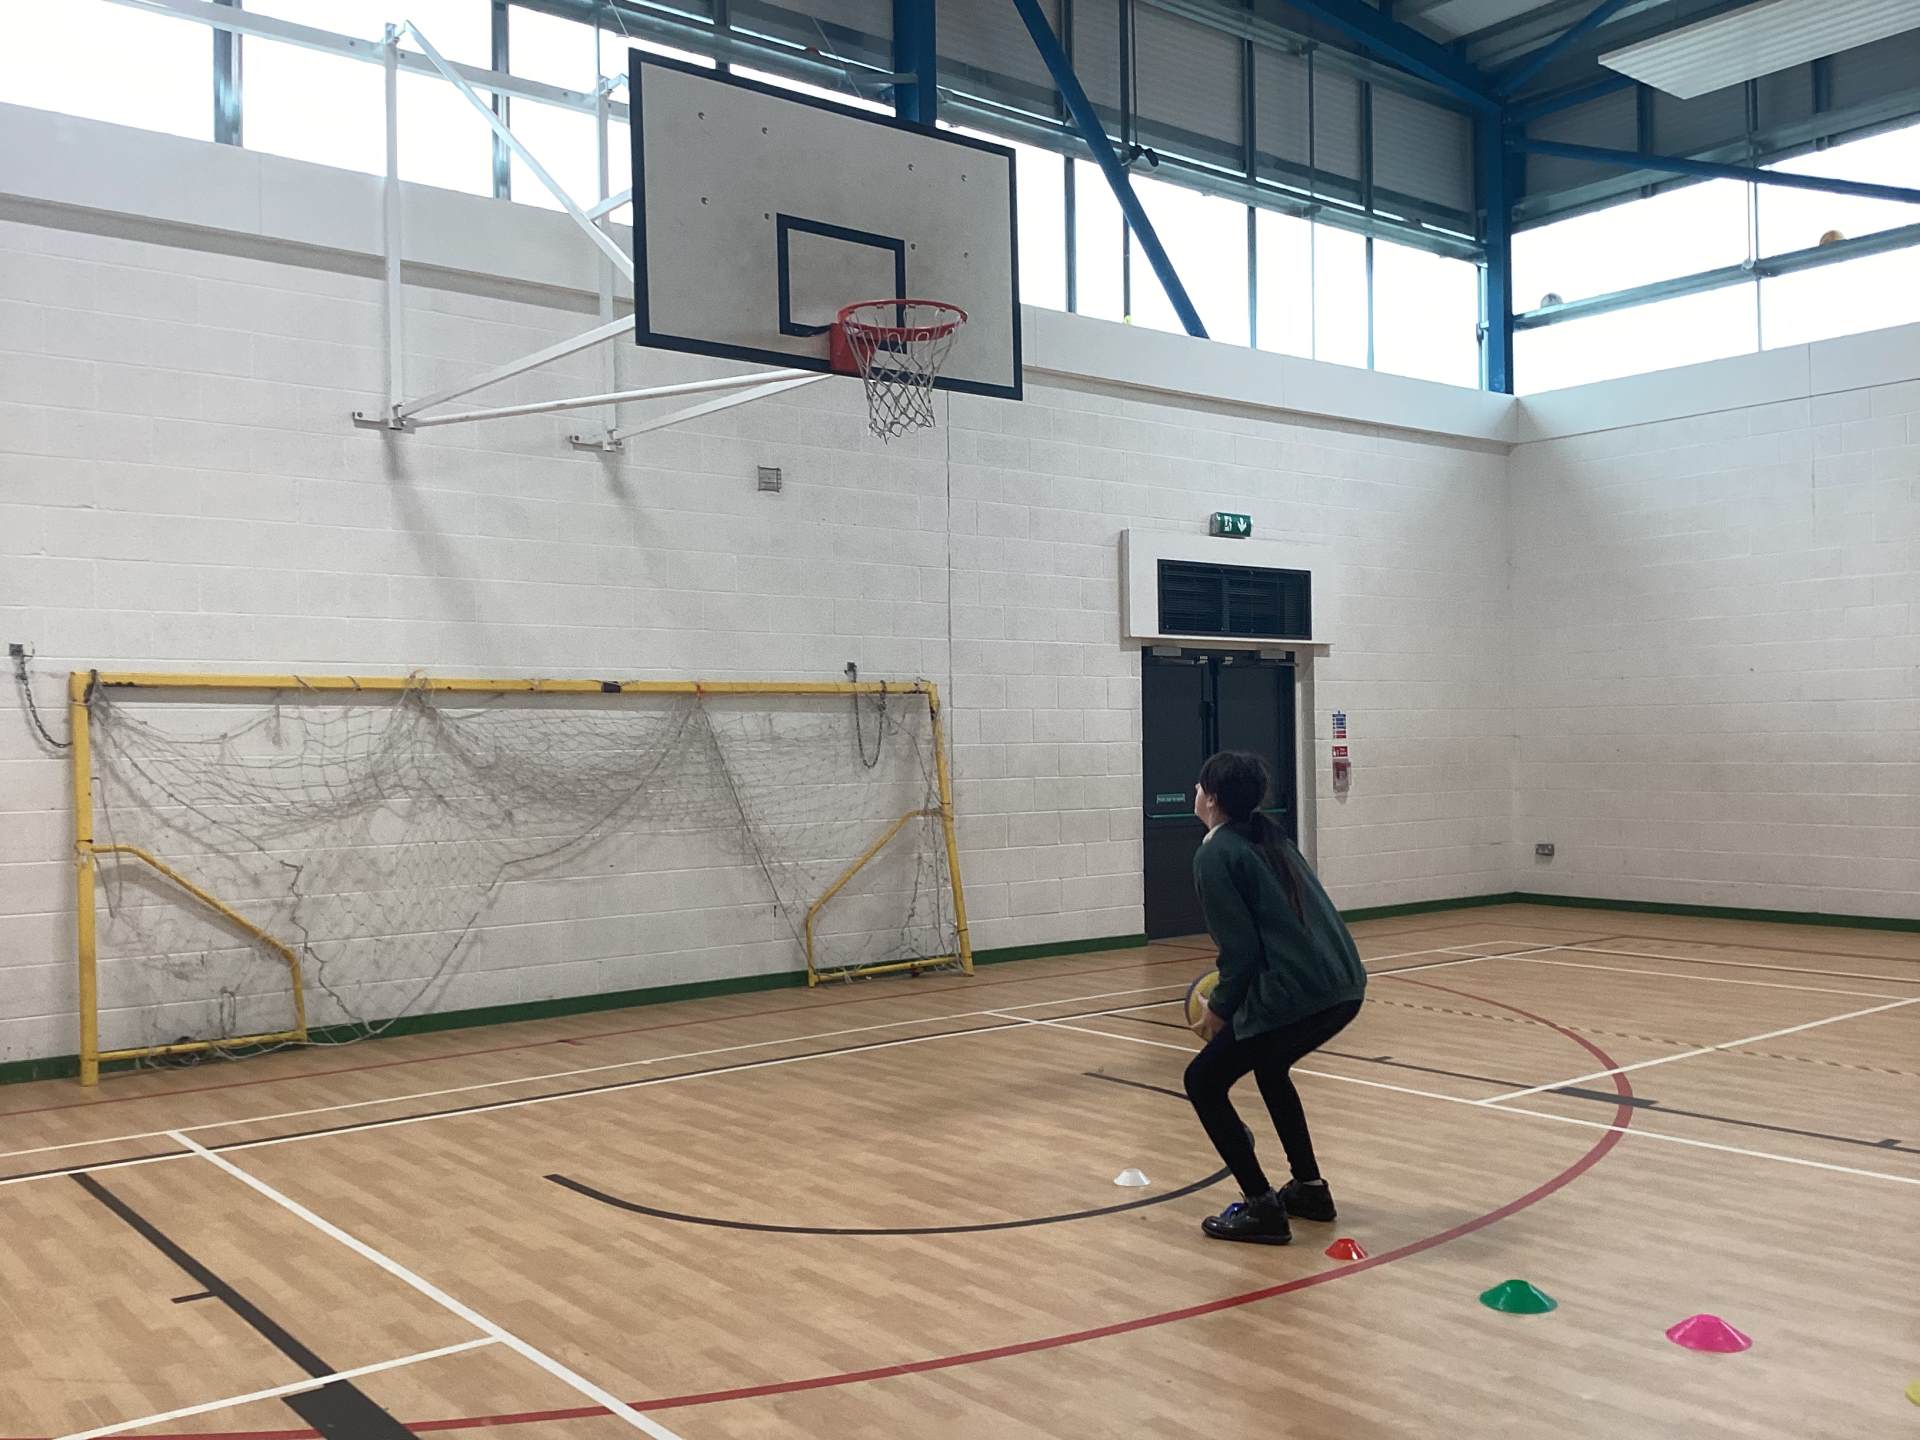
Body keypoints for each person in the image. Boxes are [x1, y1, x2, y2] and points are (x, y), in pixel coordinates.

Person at [1183, 750, 1367, 1244]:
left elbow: (1240, 951)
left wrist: (1220, 1009)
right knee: (1269, 1067)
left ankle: (1262, 1207)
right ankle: (1309, 1190)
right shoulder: (1270, 835)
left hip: (1298, 991)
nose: (1195, 793)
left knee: (1203, 1081)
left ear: (1212, 799)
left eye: (1200, 786)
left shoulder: (1217, 852)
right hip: (1342, 983)